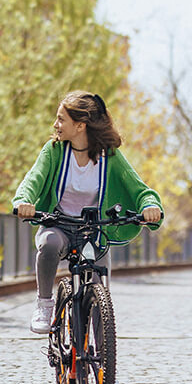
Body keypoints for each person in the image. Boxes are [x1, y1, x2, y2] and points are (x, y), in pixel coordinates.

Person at [13, 90, 163, 334]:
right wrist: (24, 201)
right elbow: (33, 180)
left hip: (94, 232)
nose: (55, 124)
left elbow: (139, 189)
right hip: (58, 225)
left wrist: (149, 206)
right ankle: (44, 303)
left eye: (61, 119)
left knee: (100, 308)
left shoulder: (110, 157)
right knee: (49, 244)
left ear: (80, 125)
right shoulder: (54, 151)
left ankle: (101, 363)